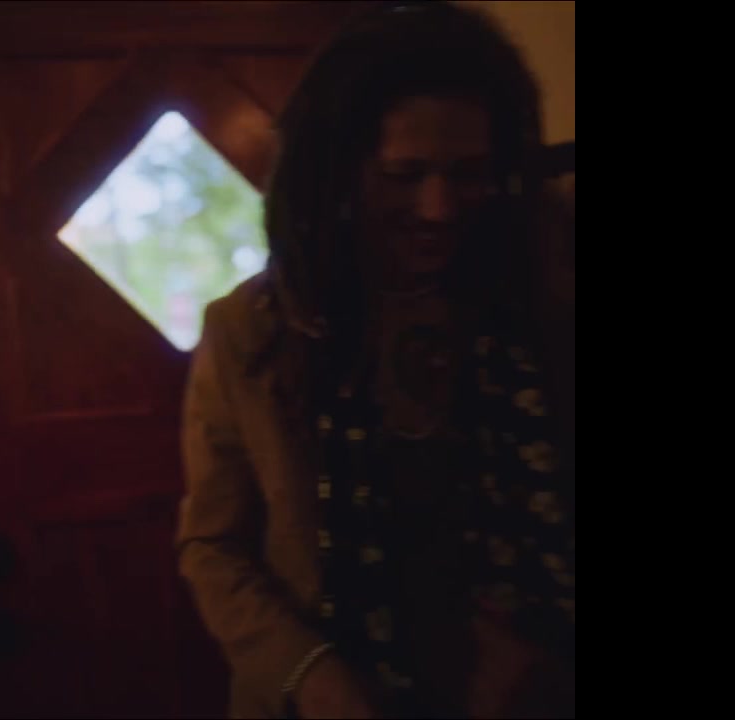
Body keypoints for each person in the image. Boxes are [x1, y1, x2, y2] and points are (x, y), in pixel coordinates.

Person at [175, 3, 574, 719]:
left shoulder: (542, 299)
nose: (439, 207)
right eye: (404, 174)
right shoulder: (248, 333)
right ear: (337, 172)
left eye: (468, 174)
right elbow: (212, 545)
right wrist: (309, 673)